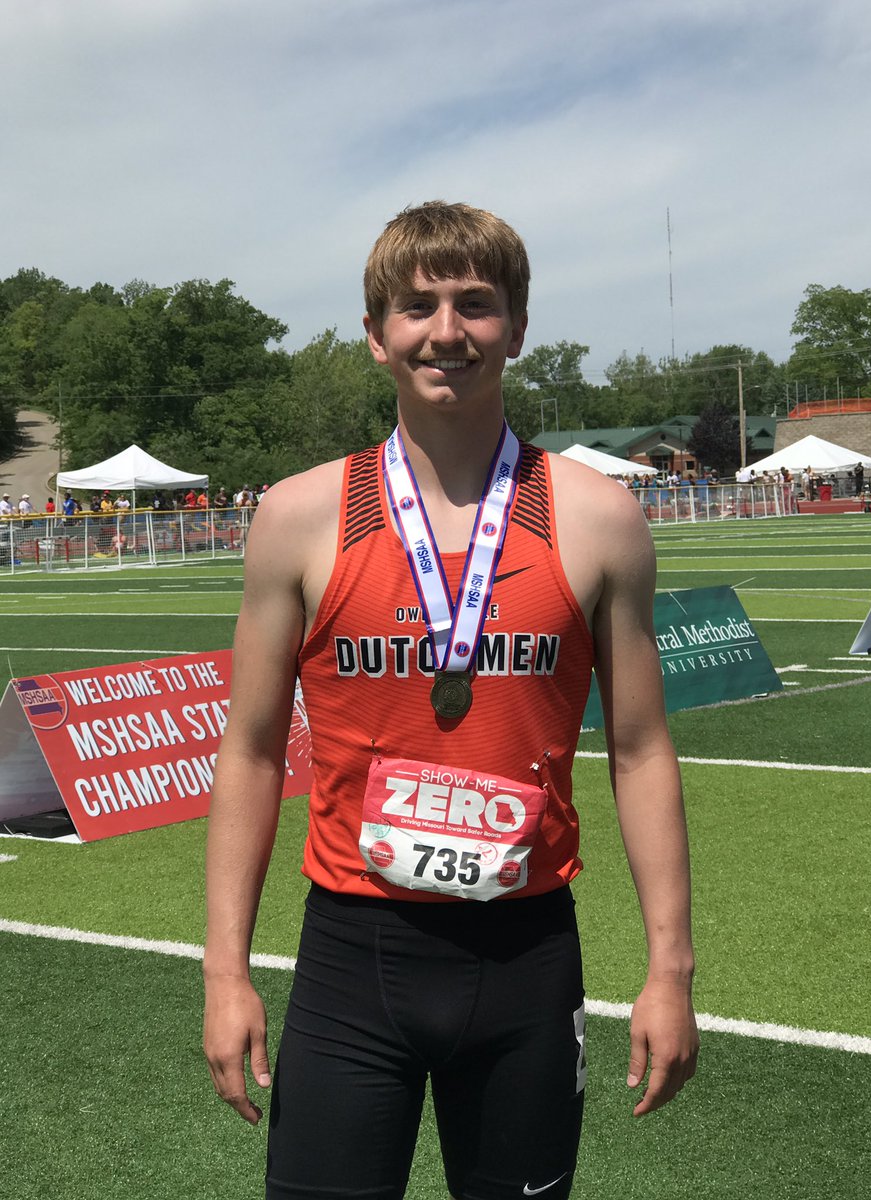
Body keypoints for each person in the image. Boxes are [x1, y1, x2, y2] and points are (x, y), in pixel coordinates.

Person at [203, 201, 698, 1200]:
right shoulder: (299, 515)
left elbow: (641, 748)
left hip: (526, 958)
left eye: (475, 304)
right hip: (352, 959)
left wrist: (670, 969)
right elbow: (251, 751)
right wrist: (225, 971)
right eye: (417, 306)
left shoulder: (599, 518)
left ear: (517, 328)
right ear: (375, 333)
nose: (447, 331)